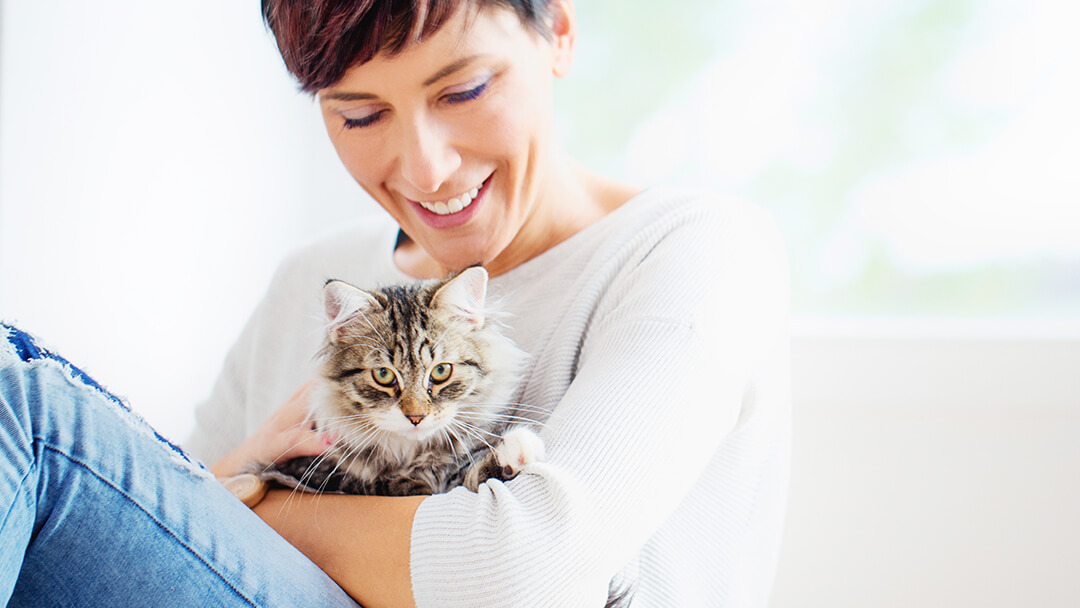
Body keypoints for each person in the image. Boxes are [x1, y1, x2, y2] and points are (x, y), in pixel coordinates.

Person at [0, 0, 790, 606]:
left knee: (26, 408)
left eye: (465, 89)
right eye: (360, 114)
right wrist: (224, 492)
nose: (426, 167)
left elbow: (521, 573)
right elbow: (168, 521)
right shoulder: (313, 277)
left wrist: (256, 505)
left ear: (557, 30)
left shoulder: (694, 251)